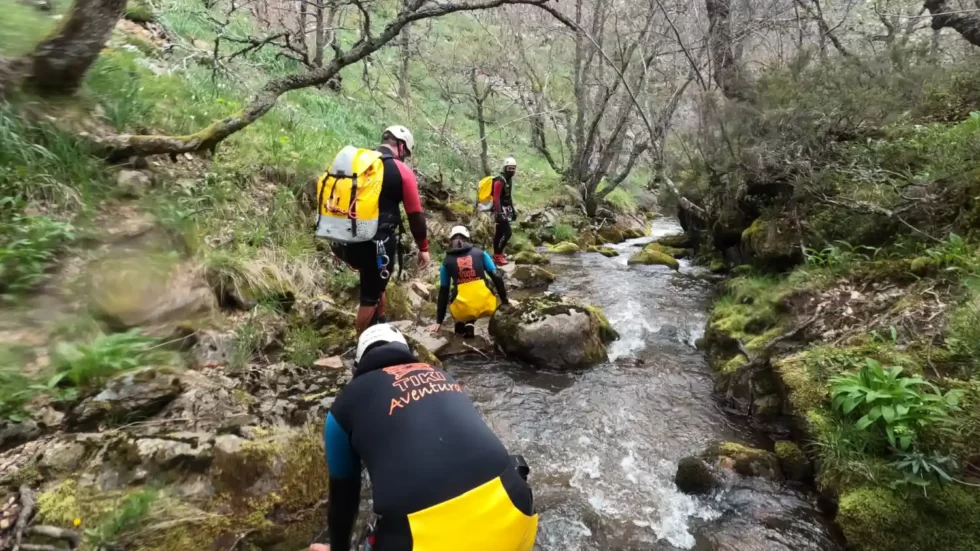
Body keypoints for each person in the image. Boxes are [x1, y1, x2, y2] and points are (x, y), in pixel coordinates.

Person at [316, 324, 538, 551]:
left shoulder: (342, 406)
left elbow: (343, 503)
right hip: (516, 516)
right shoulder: (444, 376)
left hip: (422, 541)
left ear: (357, 367)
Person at [333, 126, 430, 334]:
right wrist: (423, 248)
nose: (405, 157)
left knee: (375, 283)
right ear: (401, 146)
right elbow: (415, 215)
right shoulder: (401, 170)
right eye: (406, 153)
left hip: (343, 238)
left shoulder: (359, 162)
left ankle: (380, 323)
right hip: (377, 244)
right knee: (370, 295)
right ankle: (363, 342)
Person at [426, 225, 508, 338]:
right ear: (468, 239)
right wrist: (505, 301)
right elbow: (496, 277)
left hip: (462, 310)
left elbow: (443, 292)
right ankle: (470, 323)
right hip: (486, 305)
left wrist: (438, 321)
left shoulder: (446, 263)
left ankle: (461, 323)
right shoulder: (481, 253)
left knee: (455, 293)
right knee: (481, 287)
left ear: (451, 241)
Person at [491, 157, 518, 265]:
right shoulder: (499, 180)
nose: (512, 170)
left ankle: (497, 254)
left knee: (499, 233)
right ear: (505, 168)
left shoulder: (509, 180)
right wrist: (499, 213)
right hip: (499, 210)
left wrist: (513, 211)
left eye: (513, 168)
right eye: (509, 168)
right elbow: (496, 198)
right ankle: (498, 255)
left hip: (505, 209)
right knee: (508, 233)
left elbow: (508, 196)